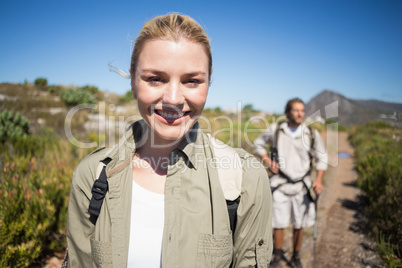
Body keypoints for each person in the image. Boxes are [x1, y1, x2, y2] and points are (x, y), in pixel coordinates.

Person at [64, 13, 273, 267]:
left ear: (208, 83)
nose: (173, 98)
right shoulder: (92, 176)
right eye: (155, 78)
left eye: (192, 81)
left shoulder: (244, 180)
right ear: (132, 81)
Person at [253, 98, 328, 268]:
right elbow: (258, 144)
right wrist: (267, 160)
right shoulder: (276, 130)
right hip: (279, 185)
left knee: (299, 223)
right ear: (288, 112)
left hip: (302, 186)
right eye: (296, 110)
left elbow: (322, 157)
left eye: (302, 110)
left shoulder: (310, 133)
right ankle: (277, 255)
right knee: (277, 223)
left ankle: (296, 256)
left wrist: (318, 179)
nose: (300, 113)